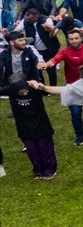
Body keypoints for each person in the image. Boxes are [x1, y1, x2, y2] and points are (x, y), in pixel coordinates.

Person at [1, 39, 55, 178]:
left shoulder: (35, 89)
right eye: (20, 93)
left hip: (40, 123)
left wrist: (40, 85)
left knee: (45, 147)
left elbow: (50, 91)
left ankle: (50, 169)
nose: (24, 94)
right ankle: (37, 169)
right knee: (31, 149)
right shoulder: (11, 91)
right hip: (24, 125)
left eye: (25, 91)